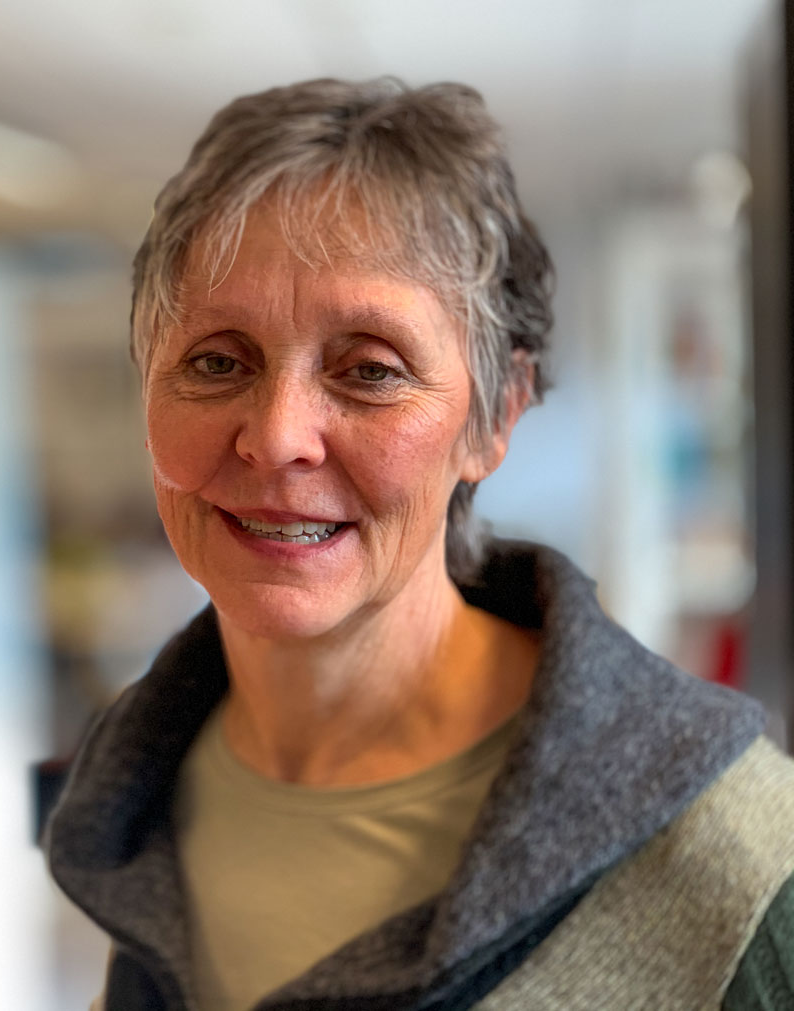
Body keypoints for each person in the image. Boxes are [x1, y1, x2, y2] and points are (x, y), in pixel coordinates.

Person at [46, 78, 794, 1011]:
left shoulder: (741, 868)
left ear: (497, 413)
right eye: (217, 361)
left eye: (369, 370)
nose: (277, 436)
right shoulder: (138, 794)